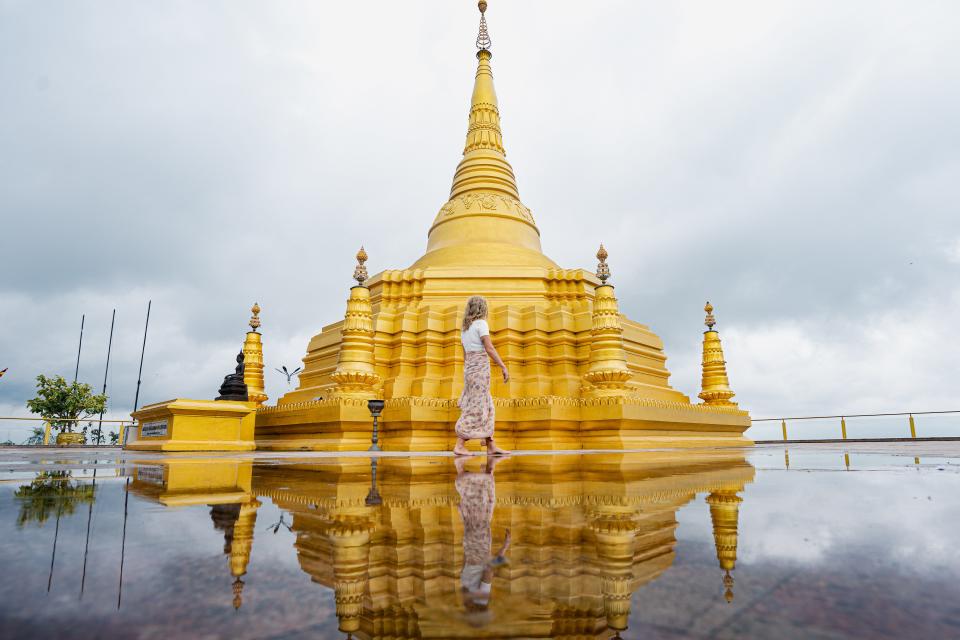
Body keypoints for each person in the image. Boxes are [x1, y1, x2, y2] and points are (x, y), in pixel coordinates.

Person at [455, 455, 511, 619]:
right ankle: (484, 465)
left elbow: (466, 560)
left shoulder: (468, 593)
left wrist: (463, 521)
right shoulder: (479, 597)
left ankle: (485, 465)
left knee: (478, 501)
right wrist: (505, 546)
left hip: (473, 537)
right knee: (480, 501)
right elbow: (489, 568)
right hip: (477, 539)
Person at [454, 295, 509, 457]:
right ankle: (460, 443)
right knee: (476, 407)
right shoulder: (481, 324)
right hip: (480, 371)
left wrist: (468, 375)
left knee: (487, 404)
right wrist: (503, 366)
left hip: (471, 370)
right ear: (482, 309)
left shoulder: (465, 329)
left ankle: (491, 445)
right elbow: (489, 348)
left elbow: (465, 356)